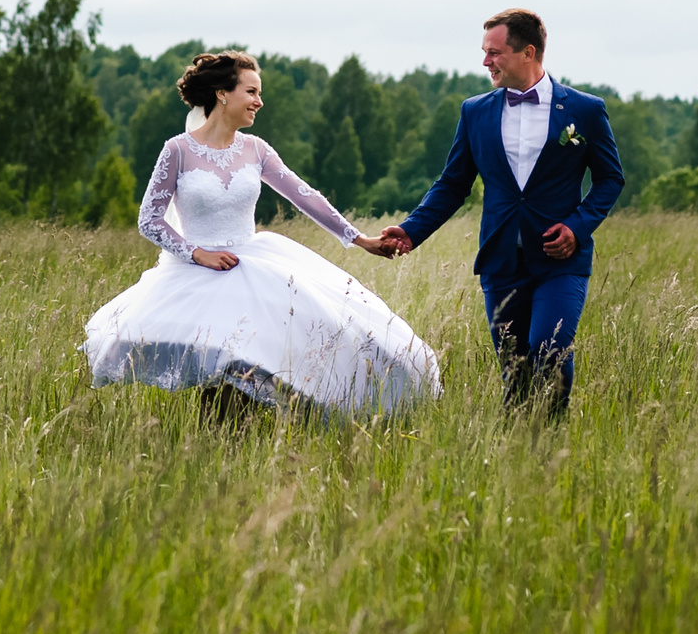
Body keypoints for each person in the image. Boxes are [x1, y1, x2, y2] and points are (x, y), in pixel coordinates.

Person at [81, 51, 442, 417]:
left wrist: (359, 239)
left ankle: (243, 431)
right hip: (194, 274)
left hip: (250, 267)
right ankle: (215, 434)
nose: (259, 102)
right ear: (223, 93)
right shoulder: (178, 150)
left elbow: (305, 196)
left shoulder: (256, 150)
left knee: (252, 363)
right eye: (251, 92)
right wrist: (197, 254)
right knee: (217, 364)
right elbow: (149, 219)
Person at [380, 9, 622, 418]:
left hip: (560, 261)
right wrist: (410, 230)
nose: (485, 62)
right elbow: (452, 184)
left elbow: (610, 179)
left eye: (494, 53)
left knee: (550, 347)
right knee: (516, 371)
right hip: (500, 260)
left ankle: (552, 436)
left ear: (528, 52)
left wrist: (577, 228)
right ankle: (520, 446)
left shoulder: (584, 110)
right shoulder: (475, 111)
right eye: (484, 52)